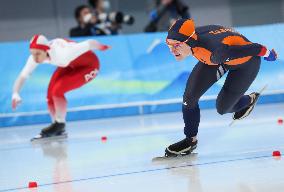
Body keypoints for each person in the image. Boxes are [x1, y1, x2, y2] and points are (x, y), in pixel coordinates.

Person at [165, 18, 277, 157]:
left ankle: (249, 100)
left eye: (176, 45)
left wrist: (268, 54)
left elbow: (254, 48)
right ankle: (190, 141)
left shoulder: (215, 52)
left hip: (245, 63)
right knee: (189, 98)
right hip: (219, 56)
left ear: (188, 41)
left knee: (223, 108)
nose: (172, 50)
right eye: (169, 45)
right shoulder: (195, 39)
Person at [12, 34, 110, 140]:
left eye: (38, 54)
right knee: (50, 95)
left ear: (46, 50)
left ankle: (59, 124)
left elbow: (90, 43)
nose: (35, 58)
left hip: (90, 66)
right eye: (32, 54)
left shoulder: (63, 53)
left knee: (57, 90)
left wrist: (102, 47)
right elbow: (23, 75)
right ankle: (57, 127)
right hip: (69, 65)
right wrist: (15, 93)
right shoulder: (35, 56)